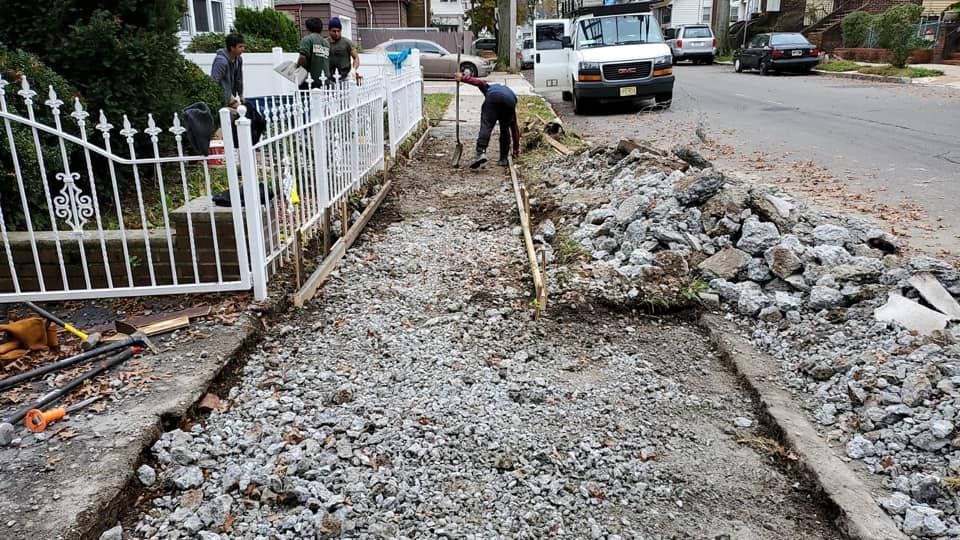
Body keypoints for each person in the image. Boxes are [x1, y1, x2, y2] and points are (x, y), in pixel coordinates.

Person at [455, 72, 520, 168]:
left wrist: (463, 78)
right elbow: (514, 129)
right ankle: (503, 159)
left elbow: (479, 82)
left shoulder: (489, 88)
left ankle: (481, 152)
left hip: (493, 99)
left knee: (486, 126)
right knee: (505, 129)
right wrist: (516, 148)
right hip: (509, 102)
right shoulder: (509, 93)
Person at [211, 34, 245, 105]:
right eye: (240, 47)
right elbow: (214, 82)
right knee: (239, 112)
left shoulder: (238, 59)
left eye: (243, 46)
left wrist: (240, 95)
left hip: (231, 96)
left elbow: (239, 79)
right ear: (232, 48)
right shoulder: (221, 61)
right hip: (222, 98)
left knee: (247, 109)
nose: (243, 49)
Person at [297, 18, 330, 88]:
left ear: (308, 28)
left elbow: (302, 57)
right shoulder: (326, 43)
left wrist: (298, 70)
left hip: (309, 81)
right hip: (324, 80)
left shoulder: (307, 39)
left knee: (304, 98)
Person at [327, 17, 360, 82]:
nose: (336, 34)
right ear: (329, 31)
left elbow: (356, 58)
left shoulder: (347, 43)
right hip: (328, 77)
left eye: (338, 31)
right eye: (334, 31)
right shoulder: (325, 43)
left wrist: (354, 70)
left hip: (345, 77)